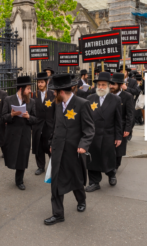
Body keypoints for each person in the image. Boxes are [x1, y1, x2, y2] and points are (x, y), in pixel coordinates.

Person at [44, 73, 95, 226]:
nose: (53, 94)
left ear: (61, 92)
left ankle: (81, 200)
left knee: (76, 179)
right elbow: (56, 126)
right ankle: (58, 214)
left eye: (54, 91)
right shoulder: (58, 104)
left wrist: (83, 145)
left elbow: (89, 129)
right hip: (59, 150)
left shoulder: (82, 103)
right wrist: (52, 143)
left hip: (75, 151)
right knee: (56, 182)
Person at [85, 72, 122, 192]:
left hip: (108, 135)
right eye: (99, 84)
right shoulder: (90, 98)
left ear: (108, 86)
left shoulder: (115, 99)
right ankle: (94, 182)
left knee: (108, 158)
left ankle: (111, 174)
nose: (100, 87)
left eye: (103, 85)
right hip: (93, 135)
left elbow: (118, 120)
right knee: (93, 159)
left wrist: (118, 137)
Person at [1, 76, 37, 190]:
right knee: (12, 156)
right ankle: (16, 172)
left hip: (25, 134)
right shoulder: (8, 100)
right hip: (12, 133)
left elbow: (36, 119)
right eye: (28, 88)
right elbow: (2, 118)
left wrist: (28, 117)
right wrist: (12, 115)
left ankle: (19, 180)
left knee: (23, 156)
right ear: (21, 89)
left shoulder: (31, 102)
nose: (30, 91)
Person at [31, 72, 55, 175]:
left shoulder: (52, 94)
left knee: (49, 145)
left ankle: (52, 165)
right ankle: (40, 166)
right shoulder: (33, 95)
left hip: (49, 125)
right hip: (37, 125)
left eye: (42, 82)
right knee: (38, 146)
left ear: (46, 82)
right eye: (38, 82)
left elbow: (55, 110)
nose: (40, 84)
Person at [109, 73, 134, 170]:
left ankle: (115, 166)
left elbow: (130, 114)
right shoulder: (108, 95)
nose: (111, 86)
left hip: (122, 126)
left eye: (113, 84)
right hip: (109, 126)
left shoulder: (127, 96)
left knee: (118, 149)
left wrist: (128, 129)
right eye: (110, 84)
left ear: (120, 85)